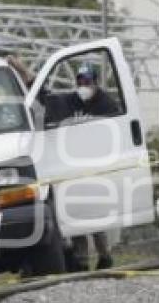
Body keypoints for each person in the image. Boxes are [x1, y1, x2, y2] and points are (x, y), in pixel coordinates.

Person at [7, 56, 118, 271]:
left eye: (87, 82)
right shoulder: (70, 102)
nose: (83, 87)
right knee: (77, 215)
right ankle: (82, 260)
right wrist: (21, 68)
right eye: (80, 82)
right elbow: (42, 92)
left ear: (95, 83)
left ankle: (105, 255)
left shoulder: (106, 104)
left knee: (95, 217)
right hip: (72, 167)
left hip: (95, 167)